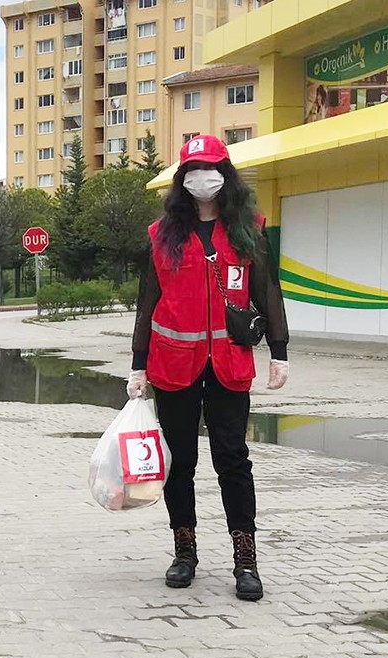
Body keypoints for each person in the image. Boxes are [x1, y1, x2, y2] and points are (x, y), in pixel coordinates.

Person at [128, 135, 289, 602]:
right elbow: (147, 302)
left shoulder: (248, 229)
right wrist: (138, 367)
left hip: (228, 365)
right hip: (174, 366)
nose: (204, 176)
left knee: (232, 460)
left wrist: (279, 349)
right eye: (194, 168)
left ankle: (246, 560)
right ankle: (185, 552)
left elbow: (267, 291)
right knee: (180, 462)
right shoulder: (162, 235)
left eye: (212, 167)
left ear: (226, 174)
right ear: (182, 179)